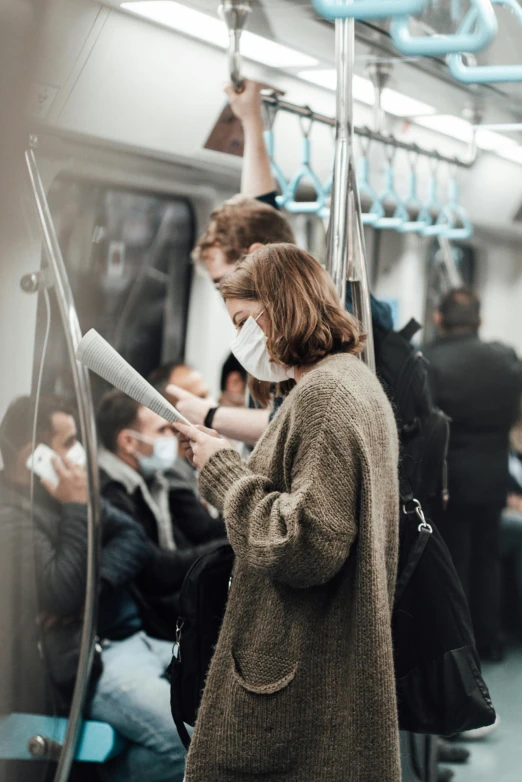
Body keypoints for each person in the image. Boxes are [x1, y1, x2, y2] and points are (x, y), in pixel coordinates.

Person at [174, 244, 401, 782]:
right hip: (323, 660)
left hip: (301, 673)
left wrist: (224, 471)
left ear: (281, 306)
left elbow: (304, 547)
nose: (241, 340)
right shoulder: (349, 380)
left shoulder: (323, 398)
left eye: (243, 321)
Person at [168, 79, 394, 445]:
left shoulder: (326, 324)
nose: (228, 290)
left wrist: (208, 416)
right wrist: (251, 121)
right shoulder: (294, 303)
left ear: (256, 256)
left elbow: (289, 423)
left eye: (228, 277)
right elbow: (261, 209)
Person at [0, 395, 188, 782]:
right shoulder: (12, 516)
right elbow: (62, 591)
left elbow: (133, 539)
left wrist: (96, 585)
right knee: (187, 744)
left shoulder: (69, 493)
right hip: (98, 658)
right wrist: (74, 507)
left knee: (221, 716)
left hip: (136, 637)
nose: (80, 453)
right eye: (68, 442)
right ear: (32, 457)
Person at [425, 288, 522, 661]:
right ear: (479, 321)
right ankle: (490, 641)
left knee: (455, 563)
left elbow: (427, 425)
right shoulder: (506, 361)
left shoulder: (430, 361)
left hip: (450, 480)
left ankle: (458, 650)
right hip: (494, 475)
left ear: (438, 319)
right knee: (488, 560)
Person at [96, 390, 227, 638]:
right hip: (143, 622)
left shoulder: (151, 481)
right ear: (128, 441)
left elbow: (178, 546)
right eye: (162, 431)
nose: (172, 438)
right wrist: (225, 550)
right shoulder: (112, 492)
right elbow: (154, 568)